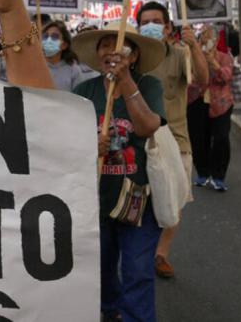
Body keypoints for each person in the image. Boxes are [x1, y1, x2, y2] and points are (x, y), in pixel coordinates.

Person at [71, 22, 166, 322]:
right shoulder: (84, 91)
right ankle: (111, 311)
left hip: (140, 199)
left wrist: (126, 83)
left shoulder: (148, 86)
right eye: (105, 45)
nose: (111, 51)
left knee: (138, 270)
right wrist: (88, 144)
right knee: (101, 266)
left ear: (134, 55)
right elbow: (68, 143)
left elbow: (148, 126)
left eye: (120, 45)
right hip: (97, 199)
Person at [137, 1, 209, 280]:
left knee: (173, 202)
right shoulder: (135, 57)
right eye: (145, 22)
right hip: (141, 140)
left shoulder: (180, 54)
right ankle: (140, 251)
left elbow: (202, 79)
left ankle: (161, 254)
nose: (150, 26)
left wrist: (194, 46)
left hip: (176, 141)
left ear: (168, 27)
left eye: (156, 21)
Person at [188, 25, 234, 191]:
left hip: (221, 103)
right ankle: (203, 172)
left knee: (221, 138)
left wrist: (212, 62)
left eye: (211, 38)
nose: (208, 41)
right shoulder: (192, 56)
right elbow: (189, 79)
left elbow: (226, 76)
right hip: (197, 101)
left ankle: (219, 175)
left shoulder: (224, 57)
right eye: (204, 38)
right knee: (198, 138)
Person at [41, 20, 86, 91]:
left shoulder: (73, 71)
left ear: (64, 45)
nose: (48, 40)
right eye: (45, 36)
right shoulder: (35, 67)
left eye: (54, 37)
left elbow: (79, 98)